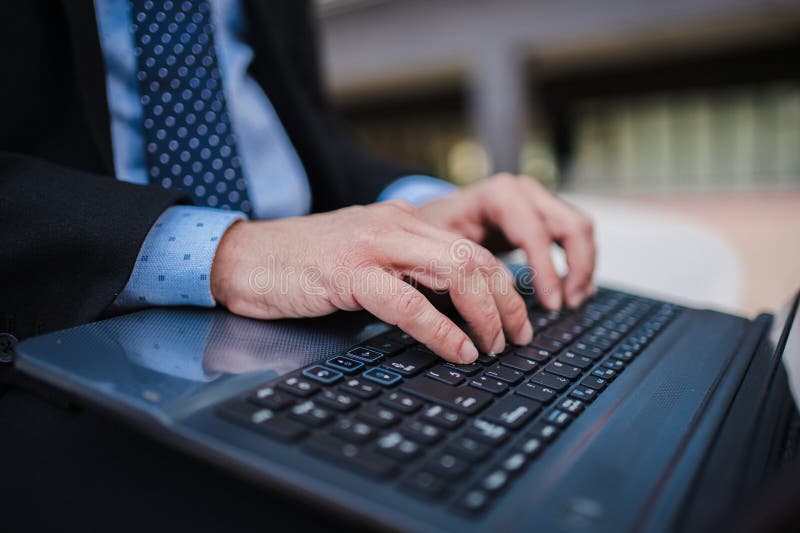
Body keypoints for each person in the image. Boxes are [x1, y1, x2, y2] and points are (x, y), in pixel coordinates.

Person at [0, 1, 595, 529]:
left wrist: (422, 208)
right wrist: (228, 250)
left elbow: (316, 145)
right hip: (68, 326)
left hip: (323, 310)